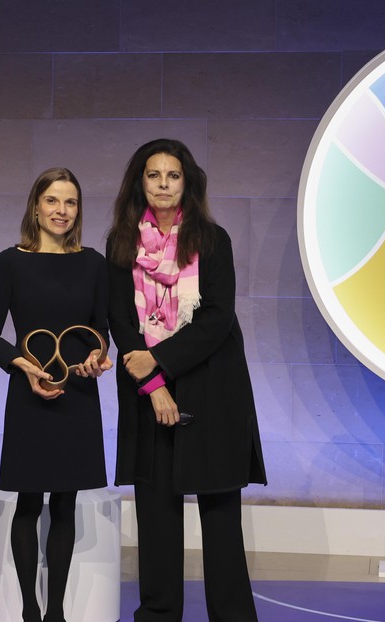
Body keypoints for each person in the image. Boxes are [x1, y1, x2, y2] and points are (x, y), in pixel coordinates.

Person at [105, 138, 267, 621]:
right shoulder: (119, 242)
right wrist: (154, 386)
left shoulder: (214, 240)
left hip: (212, 387)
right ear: (140, 182)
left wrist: (160, 363)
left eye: (172, 176)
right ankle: (158, 614)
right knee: (156, 515)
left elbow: (217, 319)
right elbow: (120, 321)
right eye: (153, 175)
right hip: (146, 391)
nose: (163, 185)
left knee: (220, 518)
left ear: (187, 182)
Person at [0, 168, 112, 622]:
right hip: (29, 392)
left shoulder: (94, 263)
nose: (61, 211)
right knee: (29, 501)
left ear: (79, 210)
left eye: (70, 202)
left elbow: (100, 331)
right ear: (35, 206)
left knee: (67, 502)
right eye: (52, 201)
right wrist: (22, 365)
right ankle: (30, 611)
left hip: (76, 393)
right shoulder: (10, 261)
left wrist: (98, 357)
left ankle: (55, 612)